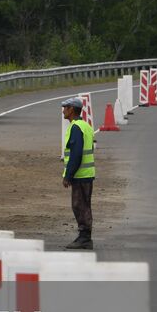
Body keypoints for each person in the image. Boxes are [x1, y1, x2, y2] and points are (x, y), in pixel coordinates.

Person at [60, 97, 96, 250]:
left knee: (79, 206)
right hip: (86, 173)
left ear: (72, 110)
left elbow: (76, 154)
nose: (63, 111)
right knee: (83, 205)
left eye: (65, 108)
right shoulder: (85, 125)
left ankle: (84, 238)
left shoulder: (76, 127)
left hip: (81, 175)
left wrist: (68, 175)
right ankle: (84, 237)